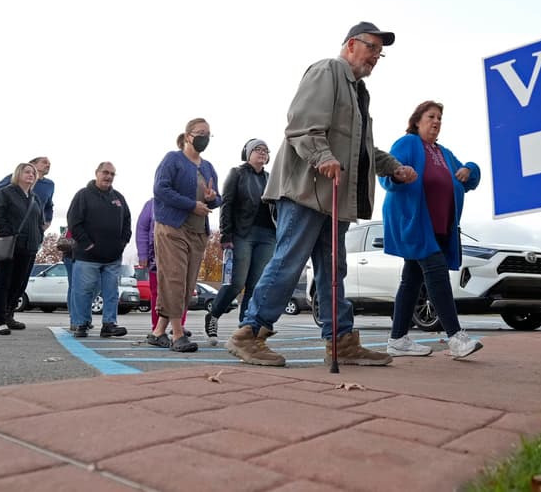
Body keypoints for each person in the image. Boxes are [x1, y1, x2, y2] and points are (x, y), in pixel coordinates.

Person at [227, 21, 417, 367]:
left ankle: (340, 340)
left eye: (380, 51)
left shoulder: (359, 92)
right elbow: (301, 125)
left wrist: (392, 167)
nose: (376, 56)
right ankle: (249, 333)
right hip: (305, 191)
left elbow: (361, 148)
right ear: (349, 46)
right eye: (370, 47)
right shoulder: (328, 70)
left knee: (334, 270)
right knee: (288, 262)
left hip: (334, 198)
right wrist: (323, 156)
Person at [381, 101, 484, 359]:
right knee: (436, 271)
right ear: (417, 121)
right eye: (431, 116)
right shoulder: (408, 144)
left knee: (411, 280)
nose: (436, 121)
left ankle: (398, 340)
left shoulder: (444, 153)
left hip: (440, 227)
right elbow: (386, 173)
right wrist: (398, 174)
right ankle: (456, 338)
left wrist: (469, 168)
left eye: (440, 118)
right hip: (414, 222)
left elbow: (469, 178)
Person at [148, 118, 221, 352]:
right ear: (188, 135)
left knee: (187, 284)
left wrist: (212, 199)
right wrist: (191, 205)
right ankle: (177, 335)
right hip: (172, 228)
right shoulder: (173, 159)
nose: (205, 138)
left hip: (198, 231)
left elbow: (217, 198)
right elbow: (160, 189)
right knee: (175, 279)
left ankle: (158, 331)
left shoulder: (208, 166)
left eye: (209, 134)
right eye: (200, 133)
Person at [206, 138, 276, 346]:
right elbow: (226, 204)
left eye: (265, 150)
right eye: (257, 149)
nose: (262, 153)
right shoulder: (236, 173)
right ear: (247, 152)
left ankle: (245, 331)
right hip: (242, 234)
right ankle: (213, 315)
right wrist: (226, 236)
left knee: (255, 287)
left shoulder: (270, 178)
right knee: (236, 283)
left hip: (267, 236)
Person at [66, 162, 132, 338]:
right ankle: (81, 324)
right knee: (83, 291)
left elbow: (127, 221)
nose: (108, 176)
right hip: (87, 256)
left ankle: (109, 324)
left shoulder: (119, 198)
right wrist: (87, 244)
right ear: (97, 173)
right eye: (105, 172)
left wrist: (122, 243)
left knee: (111, 292)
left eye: (112, 174)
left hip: (112, 257)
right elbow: (74, 222)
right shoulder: (83, 195)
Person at [0, 163, 45, 335]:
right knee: (3, 282)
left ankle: (8, 314)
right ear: (18, 174)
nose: (31, 175)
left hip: (30, 247)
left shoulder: (35, 198)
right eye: (27, 171)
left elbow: (39, 221)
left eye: (33, 173)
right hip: (10, 245)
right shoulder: (5, 193)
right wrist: (10, 234)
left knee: (20, 284)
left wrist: (39, 237)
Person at [136, 199, 187, 329]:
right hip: (155, 256)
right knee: (157, 292)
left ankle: (179, 327)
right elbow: (142, 229)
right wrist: (143, 254)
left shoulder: (186, 202)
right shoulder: (151, 205)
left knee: (182, 290)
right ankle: (156, 327)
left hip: (181, 253)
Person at [0, 156, 54, 231]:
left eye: (49, 164)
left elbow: (49, 205)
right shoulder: (15, 177)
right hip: (7, 226)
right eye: (44, 162)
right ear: (32, 164)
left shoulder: (50, 184)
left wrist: (48, 221)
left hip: (33, 228)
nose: (48, 165)